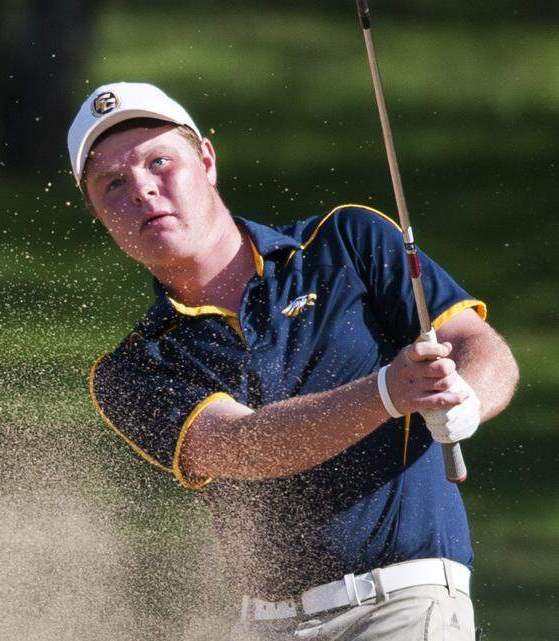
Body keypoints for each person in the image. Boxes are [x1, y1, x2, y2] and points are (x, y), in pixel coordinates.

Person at [67, 82, 518, 640]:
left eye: (160, 162)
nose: (141, 189)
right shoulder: (135, 367)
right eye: (112, 184)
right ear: (98, 213)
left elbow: (478, 346)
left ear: (206, 160)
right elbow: (242, 447)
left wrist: (466, 399)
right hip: (264, 624)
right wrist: (385, 393)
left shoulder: (346, 241)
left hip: (401, 602)